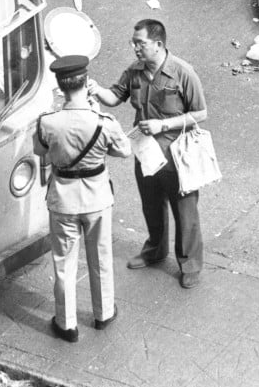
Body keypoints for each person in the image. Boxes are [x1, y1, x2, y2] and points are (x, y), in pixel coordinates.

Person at [91, 20, 208, 289]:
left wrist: (163, 124)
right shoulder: (134, 71)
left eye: (140, 43)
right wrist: (95, 89)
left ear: (158, 44)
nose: (135, 48)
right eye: (133, 42)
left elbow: (201, 113)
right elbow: (114, 97)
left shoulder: (182, 72)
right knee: (151, 204)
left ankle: (189, 263)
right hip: (145, 153)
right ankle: (155, 250)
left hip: (177, 154)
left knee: (185, 211)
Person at [34, 55, 130, 343]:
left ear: (60, 86)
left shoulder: (48, 122)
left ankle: (66, 324)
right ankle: (103, 314)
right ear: (86, 83)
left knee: (64, 262)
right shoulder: (103, 121)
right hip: (97, 198)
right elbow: (124, 151)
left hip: (63, 198)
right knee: (100, 257)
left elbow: (41, 153)